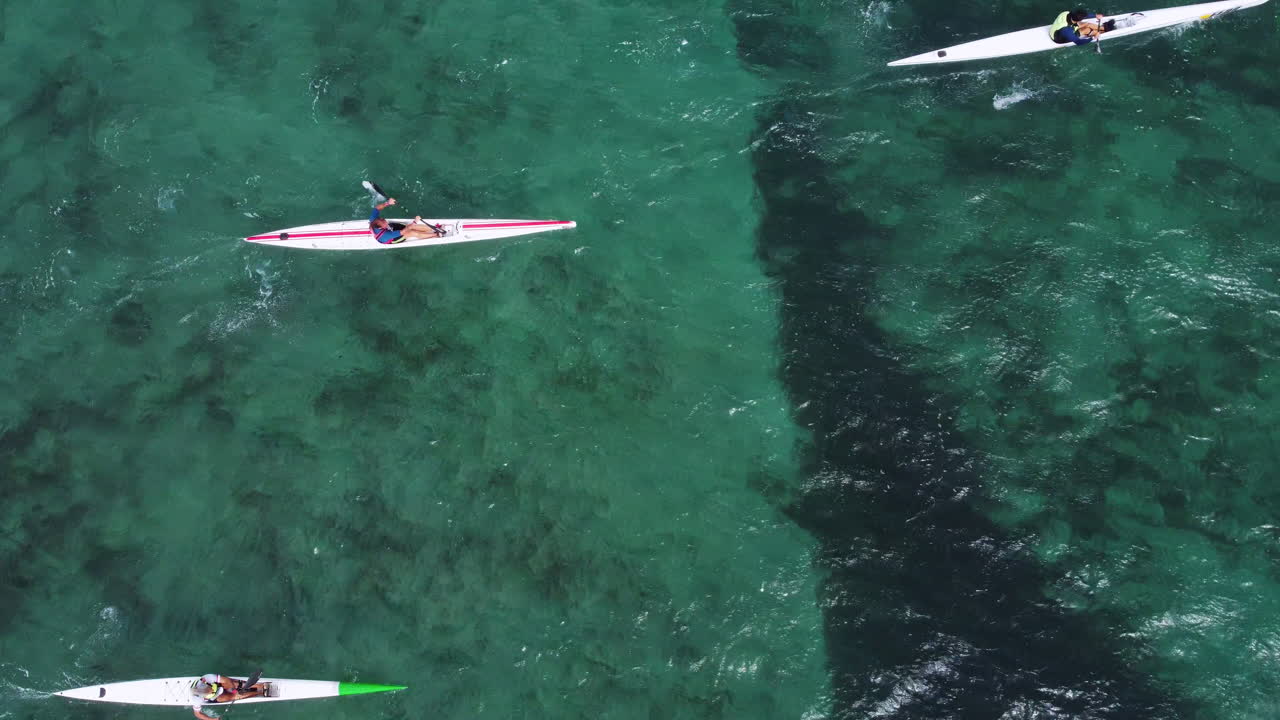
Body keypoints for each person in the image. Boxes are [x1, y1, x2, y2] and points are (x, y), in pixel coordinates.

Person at [369, 197, 446, 244]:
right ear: (380, 228)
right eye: (383, 222)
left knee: (411, 226)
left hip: (390, 229)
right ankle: (436, 235)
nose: (384, 220)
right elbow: (404, 231)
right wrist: (415, 222)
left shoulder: (373, 219)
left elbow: (377, 208)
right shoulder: (385, 235)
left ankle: (434, 228)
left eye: (382, 219)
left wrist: (388, 203)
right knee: (411, 232)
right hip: (392, 239)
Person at [190, 674, 266, 720]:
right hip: (217, 696)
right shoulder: (196, 700)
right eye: (211, 691)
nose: (212, 690)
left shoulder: (207, 678)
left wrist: (234, 690)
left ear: (205, 683)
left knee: (235, 684)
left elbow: (226, 680)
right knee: (235, 696)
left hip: (219, 684)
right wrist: (213, 719)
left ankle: (260, 685)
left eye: (211, 688)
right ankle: (259, 692)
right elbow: (197, 714)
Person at [1050, 8, 1117, 45]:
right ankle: (1104, 32)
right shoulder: (1067, 31)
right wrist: (1093, 38)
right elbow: (1078, 42)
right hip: (1060, 38)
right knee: (1086, 29)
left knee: (1088, 24)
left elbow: (1082, 15)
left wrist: (1095, 16)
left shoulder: (1066, 13)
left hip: (1057, 30)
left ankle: (1104, 28)